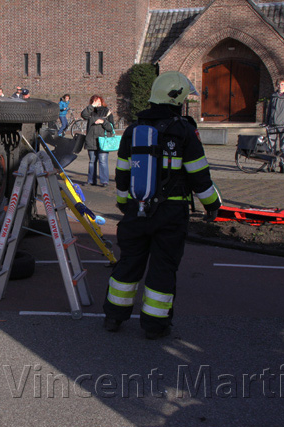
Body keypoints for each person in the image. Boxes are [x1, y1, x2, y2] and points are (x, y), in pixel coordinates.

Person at [102, 71, 221, 339]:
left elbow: (122, 173)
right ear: (177, 98)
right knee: (163, 267)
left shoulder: (133, 130)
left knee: (129, 263)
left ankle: (113, 317)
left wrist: (125, 204)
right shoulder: (185, 131)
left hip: (136, 209)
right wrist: (212, 205)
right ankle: (155, 326)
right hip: (171, 212)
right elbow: (199, 175)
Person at [81, 95, 115, 187]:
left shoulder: (107, 112)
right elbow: (83, 114)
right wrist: (91, 106)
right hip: (91, 140)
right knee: (92, 161)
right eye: (95, 101)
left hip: (103, 141)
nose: (98, 103)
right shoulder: (90, 112)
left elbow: (111, 127)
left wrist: (103, 122)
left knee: (103, 161)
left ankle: (104, 181)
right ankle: (91, 180)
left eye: (99, 101)